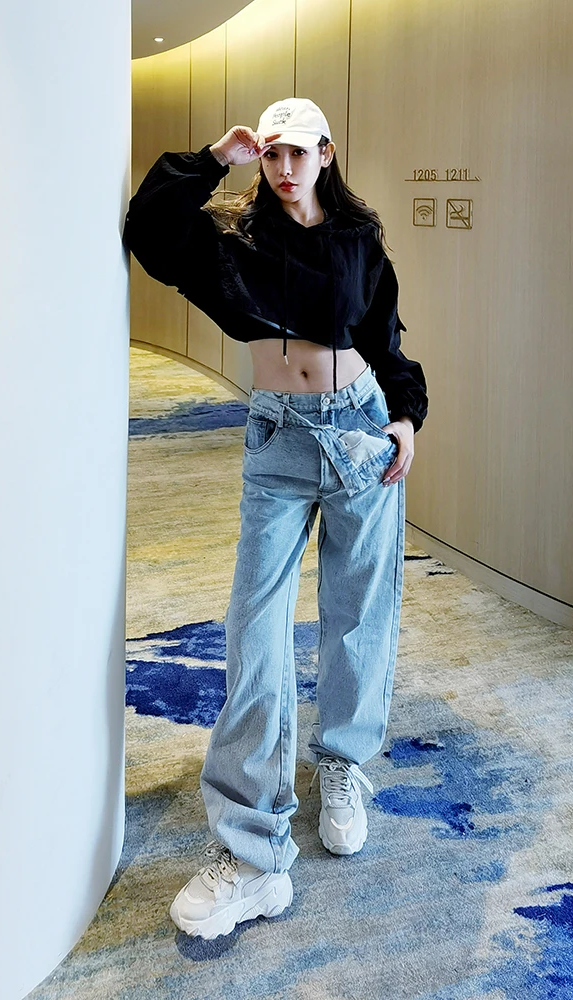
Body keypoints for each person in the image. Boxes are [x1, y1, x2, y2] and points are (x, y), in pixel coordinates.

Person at [122, 97, 429, 940]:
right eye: (271, 154)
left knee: (358, 610)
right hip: (279, 438)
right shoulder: (234, 240)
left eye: (298, 153)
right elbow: (148, 229)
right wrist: (213, 158)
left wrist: (406, 416)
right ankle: (254, 852)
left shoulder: (359, 239)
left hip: (361, 432)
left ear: (326, 153)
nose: (284, 169)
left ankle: (343, 762)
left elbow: (386, 338)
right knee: (253, 627)